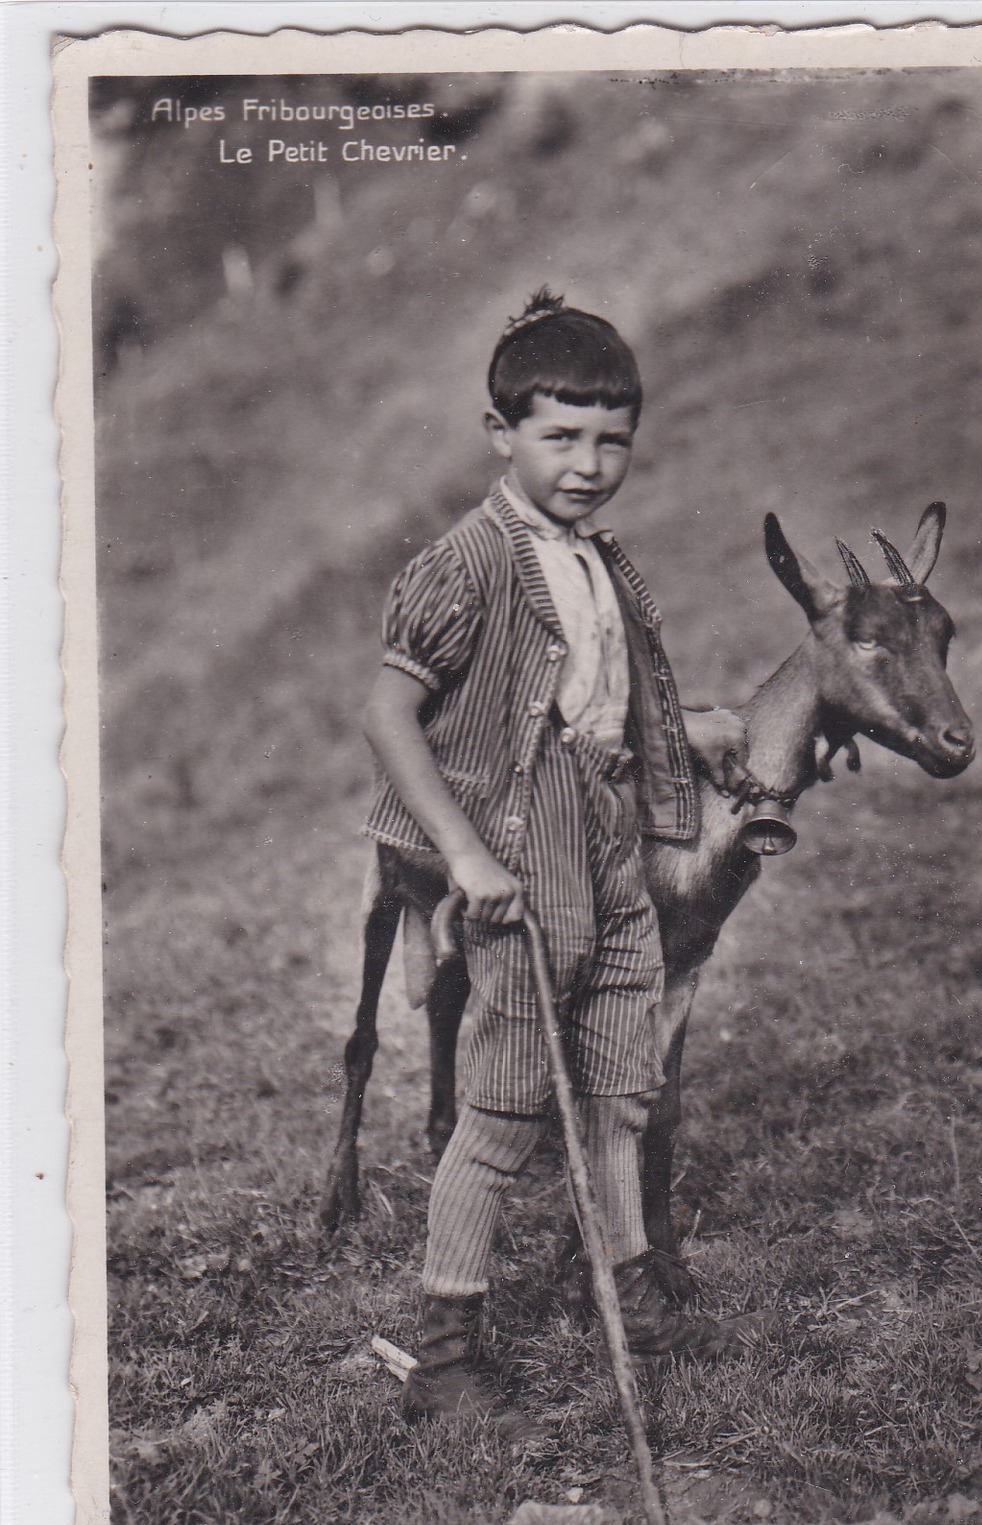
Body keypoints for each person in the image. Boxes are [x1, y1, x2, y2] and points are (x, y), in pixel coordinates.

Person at [363, 289, 758, 1437]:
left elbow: (589, 700)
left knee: (623, 1085)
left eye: (612, 440)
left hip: (611, 851)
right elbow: (390, 716)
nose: (589, 465)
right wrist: (468, 857)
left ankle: (629, 1295)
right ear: (502, 433)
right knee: (502, 1114)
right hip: (524, 862)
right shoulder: (468, 562)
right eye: (561, 436)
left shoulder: (596, 560)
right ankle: (444, 1354)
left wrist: (683, 731)